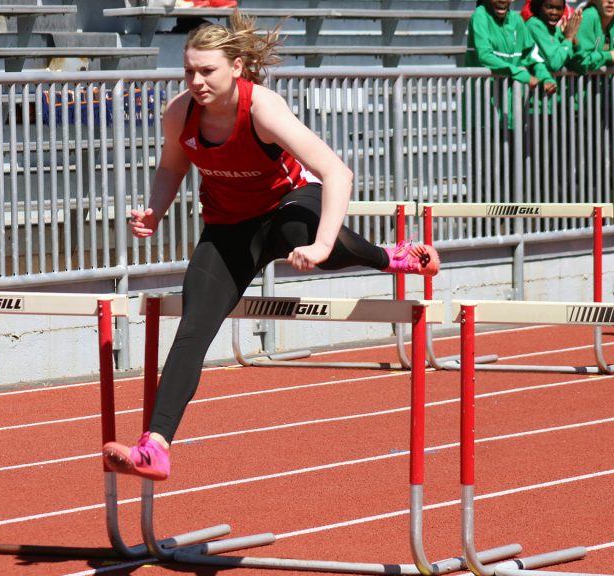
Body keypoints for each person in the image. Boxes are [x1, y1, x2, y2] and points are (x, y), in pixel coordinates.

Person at [102, 11, 440, 481]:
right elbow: (172, 167)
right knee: (193, 329)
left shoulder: (262, 107)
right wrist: (155, 212)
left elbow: (337, 172)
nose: (196, 81)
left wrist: (323, 245)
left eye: (207, 71)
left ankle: (390, 256)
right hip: (229, 228)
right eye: (189, 71)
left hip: (289, 206)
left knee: (300, 235)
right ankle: (155, 446)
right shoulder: (180, 111)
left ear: (236, 67)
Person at [466, 0, 558, 94]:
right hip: (483, 101)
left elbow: (531, 56)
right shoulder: (480, 16)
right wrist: (521, 75)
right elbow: (484, 56)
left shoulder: (516, 20)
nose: (502, 0)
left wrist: (546, 78)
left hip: (510, 100)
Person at [569, 0, 614, 74]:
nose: (611, 1)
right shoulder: (589, 16)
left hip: (601, 83)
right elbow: (581, 62)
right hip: (578, 83)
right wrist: (610, 56)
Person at [526, 0, 582, 74]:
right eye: (549, 7)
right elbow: (554, 64)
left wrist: (573, 39)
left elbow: (582, 67)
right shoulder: (534, 25)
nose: (554, 13)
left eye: (559, 8)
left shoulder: (557, 31)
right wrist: (568, 38)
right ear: (539, 6)